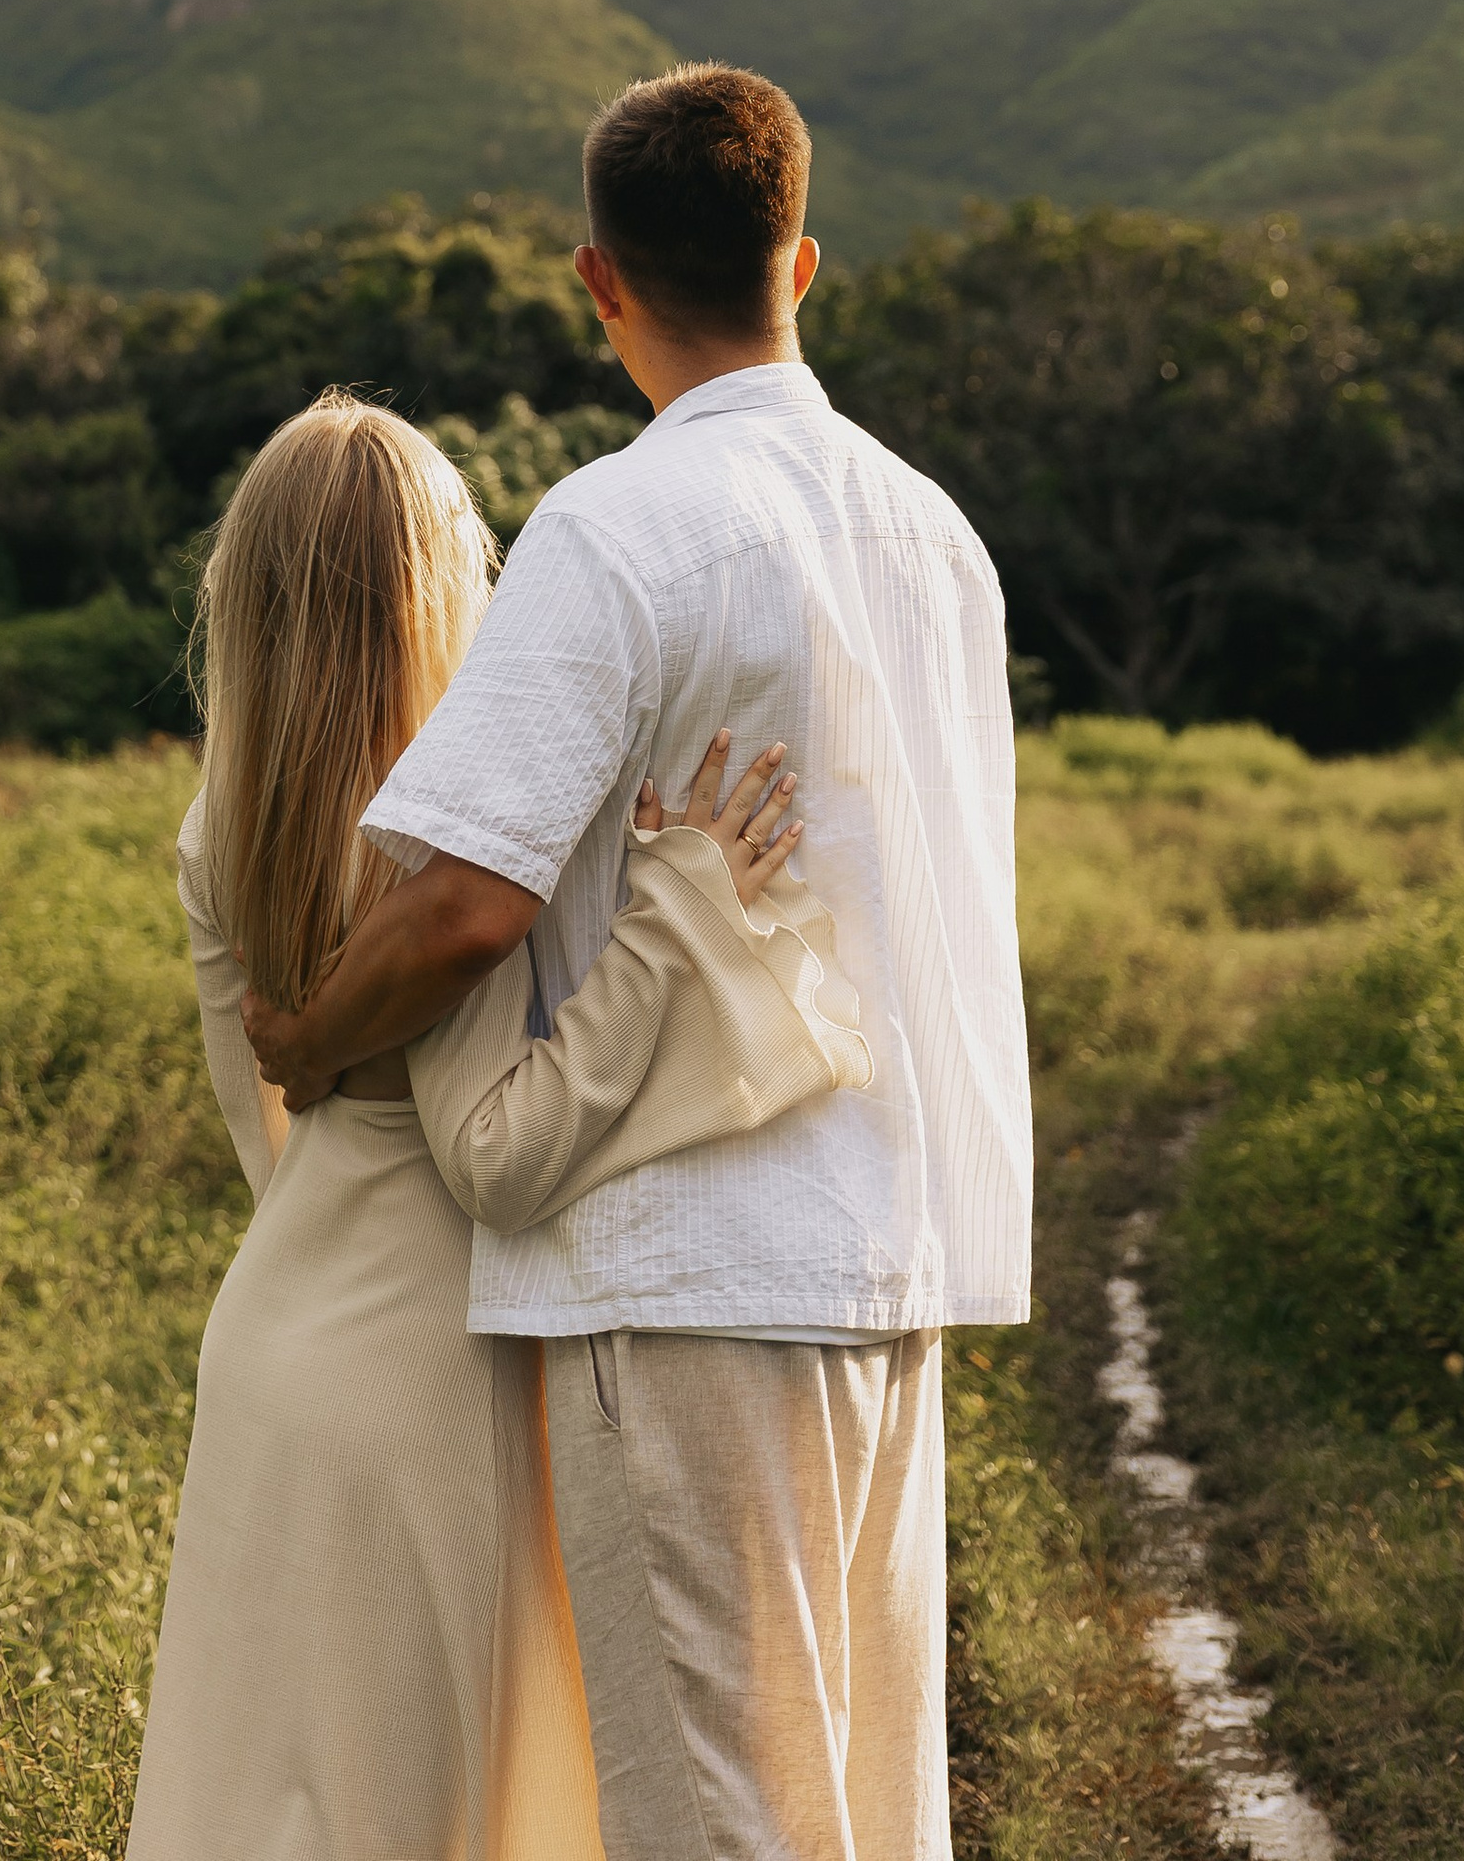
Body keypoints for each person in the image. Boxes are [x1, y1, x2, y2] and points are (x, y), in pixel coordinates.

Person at [242, 66, 1034, 1861]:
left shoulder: (617, 525)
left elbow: (457, 900)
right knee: (865, 1803)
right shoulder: (943, 542)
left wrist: (305, 1034)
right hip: (893, 1252)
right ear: (803, 261)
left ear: (597, 281)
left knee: (716, 1814)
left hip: (684, 1260)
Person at [128, 390, 874, 1861]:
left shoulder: (221, 830)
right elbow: (511, 1151)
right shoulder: (458, 832)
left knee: (276, 1801)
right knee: (451, 1802)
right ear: (439, 580)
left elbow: (262, 1128)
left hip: (275, 1344)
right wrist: (683, 915)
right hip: (446, 1361)